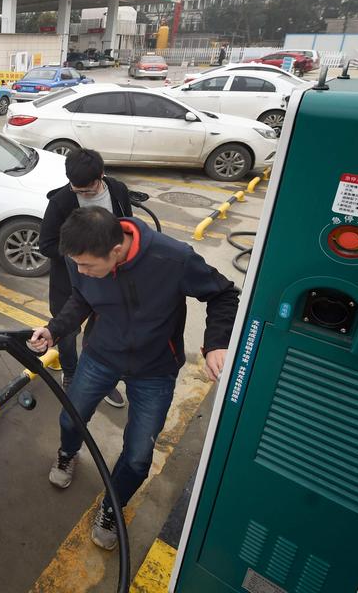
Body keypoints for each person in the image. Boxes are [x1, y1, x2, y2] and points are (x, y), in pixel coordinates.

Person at [29, 207, 238, 551]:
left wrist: (217, 343)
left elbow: (223, 293)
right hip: (100, 356)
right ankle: (68, 452)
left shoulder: (173, 258)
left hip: (154, 369)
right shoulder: (82, 257)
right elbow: (81, 297)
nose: (80, 271)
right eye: (77, 265)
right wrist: (54, 330)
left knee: (139, 455)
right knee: (71, 417)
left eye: (87, 266)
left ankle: (113, 505)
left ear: (116, 250)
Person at [38, 148, 132, 407]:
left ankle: (104, 381)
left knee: (105, 334)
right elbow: (45, 244)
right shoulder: (61, 201)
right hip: (69, 285)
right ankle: (71, 373)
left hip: (111, 280)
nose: (80, 194)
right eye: (76, 189)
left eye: (87, 191)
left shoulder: (118, 191)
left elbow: (128, 228)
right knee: (66, 333)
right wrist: (79, 253)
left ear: (100, 176)